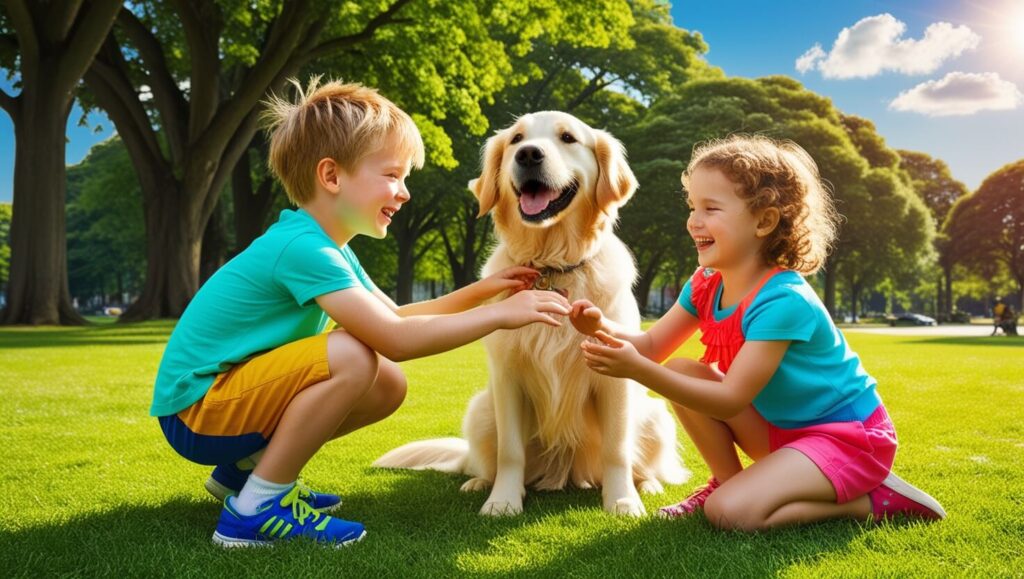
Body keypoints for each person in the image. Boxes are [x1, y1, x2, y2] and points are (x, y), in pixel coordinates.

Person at [150, 78, 571, 547]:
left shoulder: (330, 248)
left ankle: (241, 475)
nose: (404, 192)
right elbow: (393, 338)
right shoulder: (305, 250)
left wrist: (484, 291)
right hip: (198, 413)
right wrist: (500, 316)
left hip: (218, 405)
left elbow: (397, 316)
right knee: (355, 353)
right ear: (331, 177)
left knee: (386, 381)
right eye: (393, 175)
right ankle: (255, 508)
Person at [569, 135, 945, 531]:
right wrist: (601, 326)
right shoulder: (705, 284)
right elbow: (650, 347)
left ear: (764, 221)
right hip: (781, 432)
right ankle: (727, 482)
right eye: (692, 207)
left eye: (711, 208)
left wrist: (638, 371)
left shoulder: (784, 299)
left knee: (730, 514)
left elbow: (730, 399)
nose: (694, 221)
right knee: (682, 369)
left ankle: (875, 500)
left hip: (848, 441)